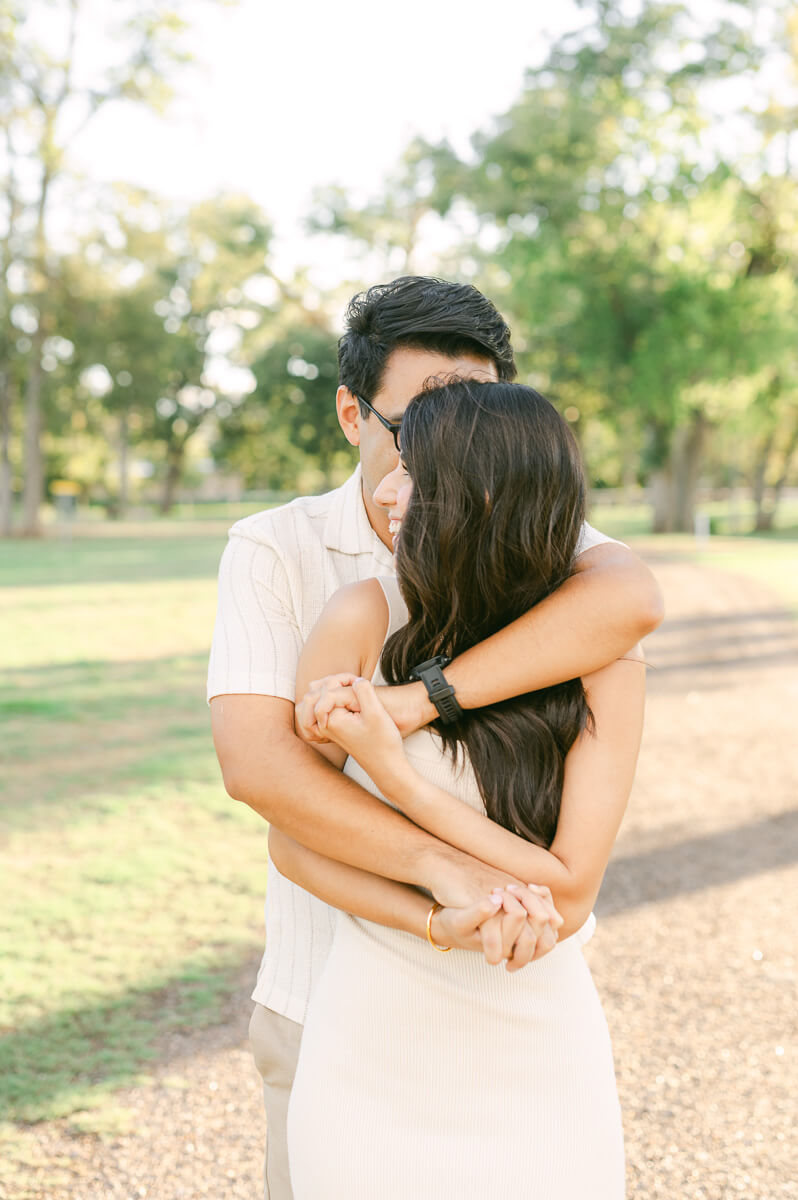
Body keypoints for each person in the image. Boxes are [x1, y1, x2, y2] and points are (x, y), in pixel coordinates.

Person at [208, 276, 662, 1200]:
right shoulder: (298, 564)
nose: (423, 463)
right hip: (335, 1000)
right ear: (353, 415)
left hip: (527, 1020)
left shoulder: (569, 585)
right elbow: (265, 779)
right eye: (414, 426)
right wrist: (440, 886)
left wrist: (411, 713)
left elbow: (634, 601)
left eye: (465, 420)